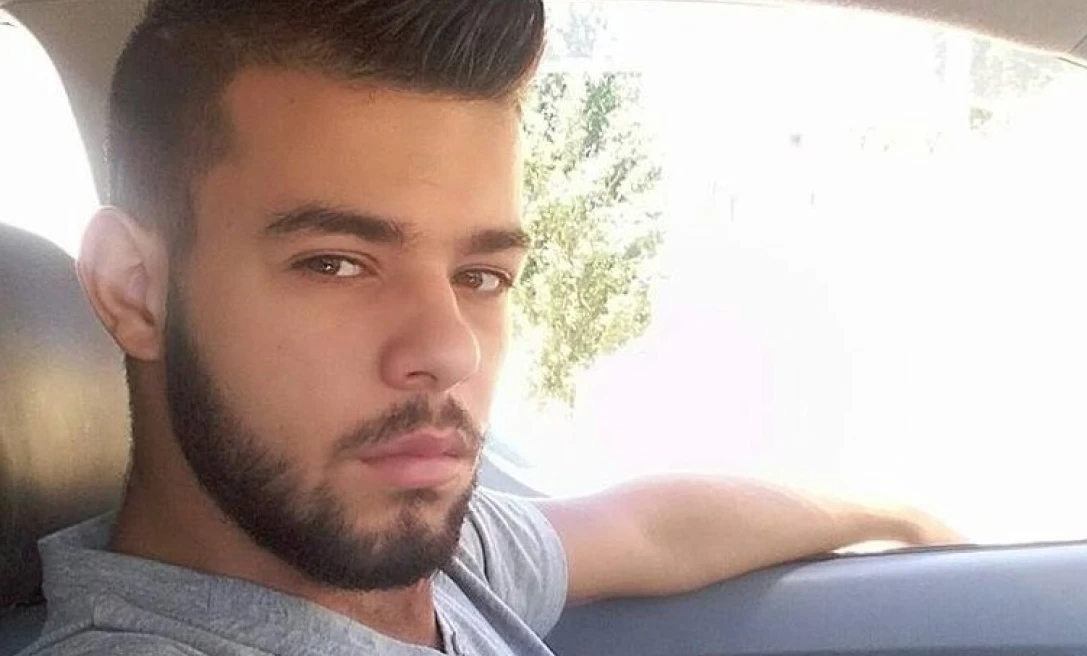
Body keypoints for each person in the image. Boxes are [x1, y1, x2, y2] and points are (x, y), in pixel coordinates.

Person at [21, 1, 960, 654]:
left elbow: (648, 528)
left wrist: (893, 513)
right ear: (135, 289)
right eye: (336, 263)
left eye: (479, 276)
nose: (449, 349)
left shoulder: (425, 563)